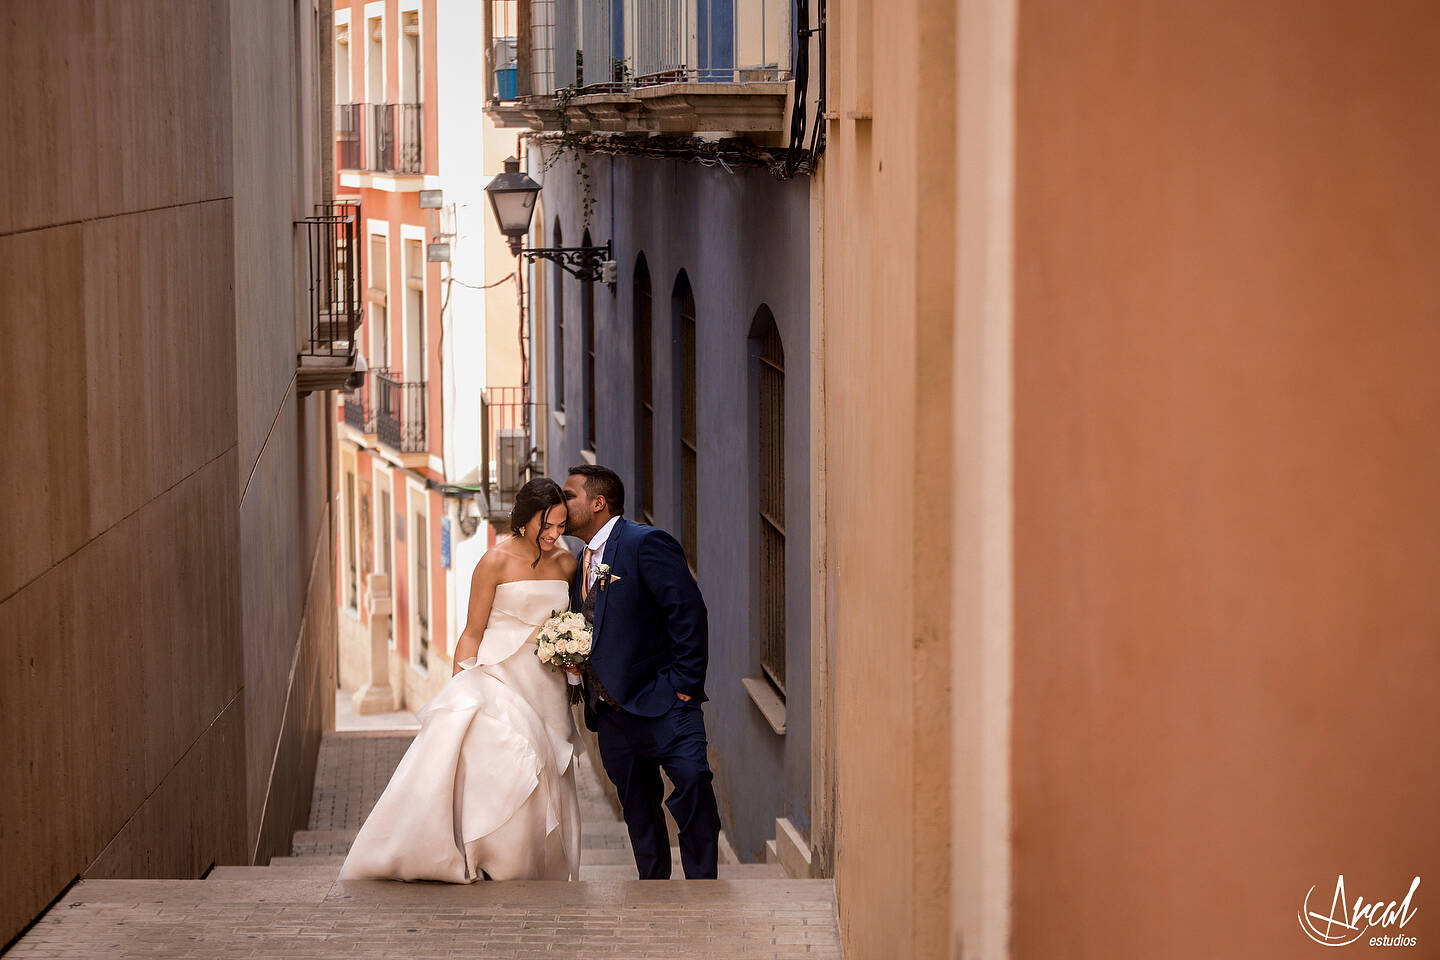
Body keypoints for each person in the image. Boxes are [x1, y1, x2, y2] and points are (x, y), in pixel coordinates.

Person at [340, 479, 583, 882]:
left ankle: (538, 864)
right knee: (509, 761)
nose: (554, 534)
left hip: (547, 684)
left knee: (547, 771)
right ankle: (491, 856)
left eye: (560, 526)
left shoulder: (566, 563)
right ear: (524, 521)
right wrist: (459, 687)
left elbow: (568, 622)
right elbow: (472, 631)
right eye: (547, 526)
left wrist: (572, 657)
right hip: (499, 676)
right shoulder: (494, 562)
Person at [562, 464, 721, 879]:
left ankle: (704, 886)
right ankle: (654, 888)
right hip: (613, 715)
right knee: (638, 810)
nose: (562, 505)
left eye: (569, 495)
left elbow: (687, 612)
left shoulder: (644, 543)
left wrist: (684, 686)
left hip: (664, 702)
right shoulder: (582, 560)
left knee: (692, 784)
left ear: (597, 503)